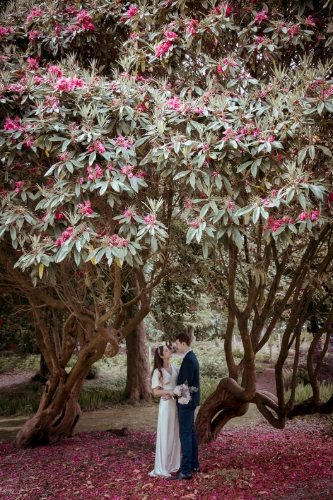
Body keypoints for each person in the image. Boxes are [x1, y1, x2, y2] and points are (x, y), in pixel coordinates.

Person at [166, 332, 200, 481]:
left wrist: (171, 395)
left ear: (184, 344)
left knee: (185, 434)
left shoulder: (188, 360)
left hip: (186, 403)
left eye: (178, 344)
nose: (176, 346)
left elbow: (184, 385)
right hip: (191, 401)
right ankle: (194, 464)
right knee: (191, 433)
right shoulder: (192, 358)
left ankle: (186, 470)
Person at [149, 344, 181, 478]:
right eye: (166, 350)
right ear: (161, 355)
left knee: (175, 433)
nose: (169, 351)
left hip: (176, 404)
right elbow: (156, 391)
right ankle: (162, 467)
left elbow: (180, 386)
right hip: (166, 405)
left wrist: (176, 393)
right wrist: (171, 392)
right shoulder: (158, 371)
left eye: (169, 349)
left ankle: (173, 464)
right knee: (166, 433)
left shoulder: (175, 368)